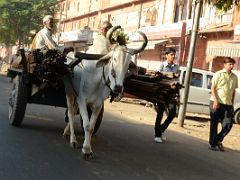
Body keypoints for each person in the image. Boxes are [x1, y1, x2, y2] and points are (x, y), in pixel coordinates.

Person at [209, 57, 238, 151]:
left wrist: (232, 104)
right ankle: (212, 144)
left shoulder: (234, 77)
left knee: (228, 124)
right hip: (216, 102)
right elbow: (213, 88)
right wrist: (215, 101)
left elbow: (233, 91)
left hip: (228, 104)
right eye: (230, 64)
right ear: (224, 64)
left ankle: (217, 140)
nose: (231, 66)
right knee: (214, 124)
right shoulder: (218, 74)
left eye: (233, 64)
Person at [154, 47, 179, 143]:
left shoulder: (176, 67)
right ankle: (157, 135)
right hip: (162, 92)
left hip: (171, 93)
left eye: (174, 55)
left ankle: (161, 130)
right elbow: (157, 78)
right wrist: (167, 76)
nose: (173, 56)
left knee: (172, 113)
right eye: (171, 54)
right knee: (160, 113)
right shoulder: (161, 66)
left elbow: (177, 79)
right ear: (166, 55)